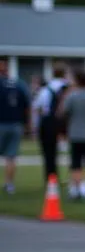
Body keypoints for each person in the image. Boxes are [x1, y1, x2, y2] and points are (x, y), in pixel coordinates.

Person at [34, 64, 69, 185]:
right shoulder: (68, 86)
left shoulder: (46, 89)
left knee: (49, 152)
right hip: (66, 122)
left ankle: (51, 177)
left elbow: (38, 107)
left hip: (48, 122)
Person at [0, 59, 30, 194]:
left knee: (10, 156)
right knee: (11, 157)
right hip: (16, 124)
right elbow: (27, 106)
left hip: (2, 123)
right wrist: (27, 124)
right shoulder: (19, 84)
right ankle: (9, 184)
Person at [61, 69, 85, 200]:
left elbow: (62, 112)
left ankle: (77, 190)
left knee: (76, 164)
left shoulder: (72, 95)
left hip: (76, 134)